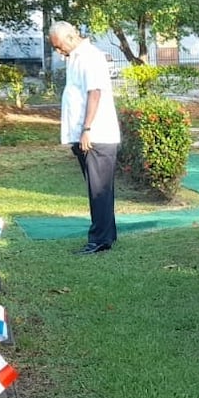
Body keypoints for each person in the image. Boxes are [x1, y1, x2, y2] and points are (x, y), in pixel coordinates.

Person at [48, 21, 121, 255]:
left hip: (96, 135)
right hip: (86, 136)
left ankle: (99, 240)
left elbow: (95, 92)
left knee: (99, 190)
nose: (59, 52)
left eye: (59, 47)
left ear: (70, 37)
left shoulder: (90, 56)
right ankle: (106, 235)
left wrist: (87, 128)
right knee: (97, 189)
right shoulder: (76, 57)